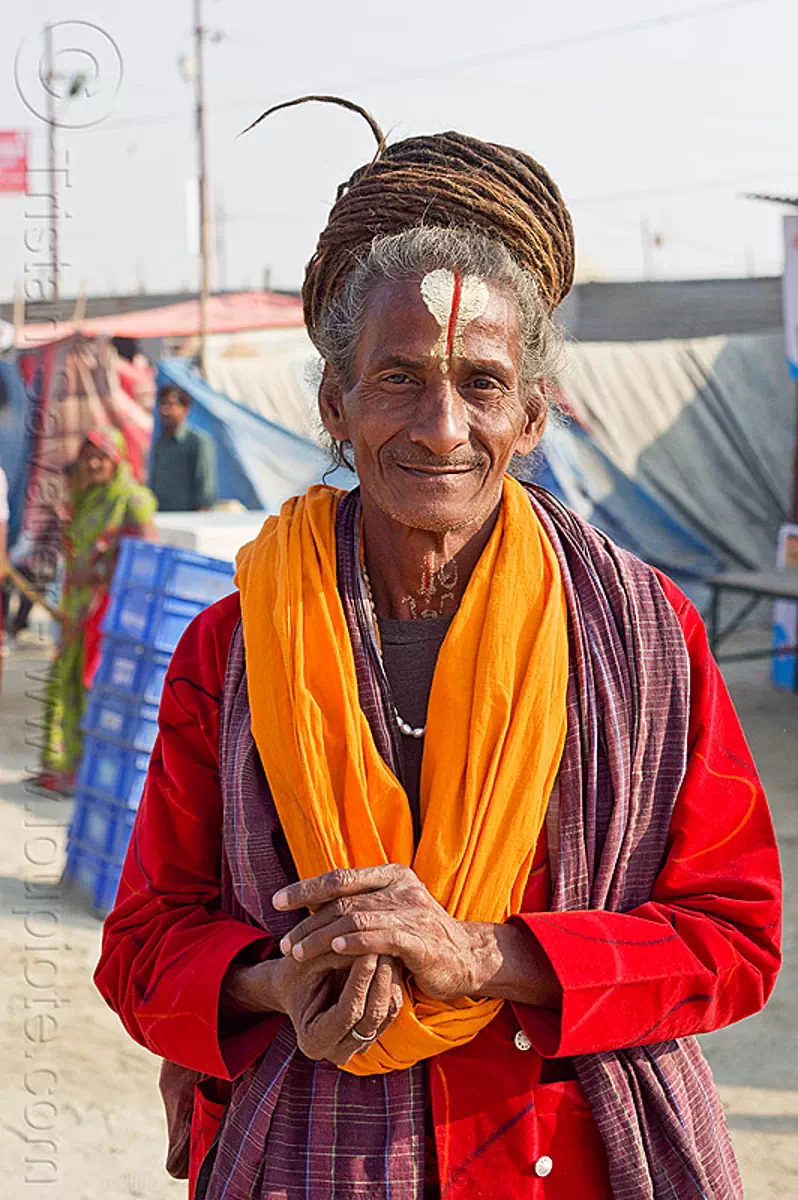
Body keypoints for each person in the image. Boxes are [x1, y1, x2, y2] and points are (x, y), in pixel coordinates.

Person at [95, 103, 781, 1200]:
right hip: (310, 1153)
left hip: (572, 1159)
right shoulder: (230, 650)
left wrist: (485, 958)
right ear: (336, 402)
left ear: (536, 414)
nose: (443, 426)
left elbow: (733, 937)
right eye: (400, 376)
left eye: (483, 383)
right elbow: (140, 947)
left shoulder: (649, 639)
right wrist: (275, 983)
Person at [38, 429, 157, 792]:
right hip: (75, 606)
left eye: (101, 457)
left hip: (106, 609)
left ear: (117, 458)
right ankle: (66, 766)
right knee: (66, 681)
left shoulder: (132, 499)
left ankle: (91, 773)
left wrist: (102, 570)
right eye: (88, 456)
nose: (93, 463)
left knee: (95, 686)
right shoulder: (86, 495)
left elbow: (147, 554)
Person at [149, 385, 217, 512]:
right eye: (163, 404)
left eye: (171, 405)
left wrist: (202, 512)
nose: (165, 410)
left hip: (188, 518)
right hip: (163, 515)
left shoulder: (198, 441)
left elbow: (205, 484)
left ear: (185, 409)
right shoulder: (160, 443)